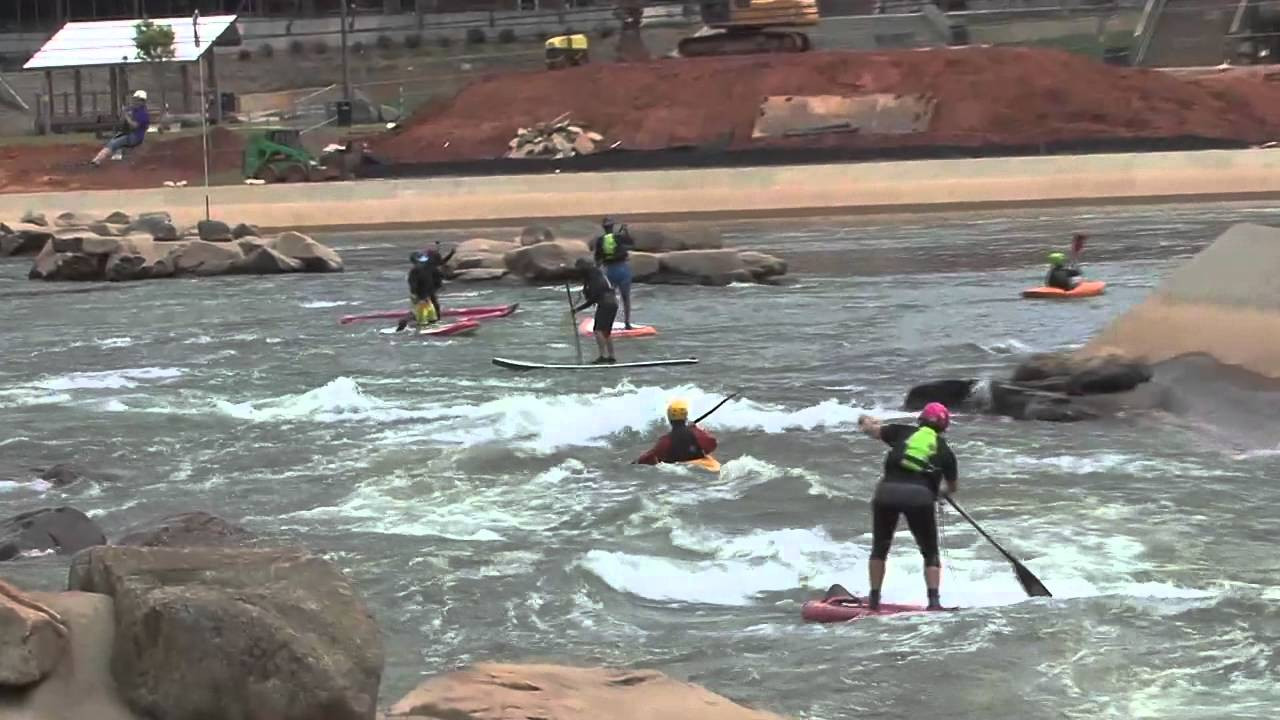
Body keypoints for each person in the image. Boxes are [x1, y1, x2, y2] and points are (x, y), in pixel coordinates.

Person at [856, 402, 958, 611]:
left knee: (880, 547)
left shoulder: (901, 432)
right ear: (944, 427)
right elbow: (952, 487)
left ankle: (874, 600)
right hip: (919, 498)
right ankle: (934, 603)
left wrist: (864, 421)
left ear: (920, 420)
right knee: (930, 552)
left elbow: (873, 430)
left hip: (886, 493)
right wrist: (940, 493)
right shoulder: (946, 452)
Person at [634, 399, 718, 465]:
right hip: (702, 465)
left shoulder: (664, 441)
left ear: (669, 418)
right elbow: (712, 444)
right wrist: (697, 428)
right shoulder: (697, 434)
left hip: (677, 468)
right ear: (685, 416)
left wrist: (636, 462)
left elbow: (653, 456)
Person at [571, 256, 618, 364]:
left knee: (598, 330)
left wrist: (578, 309)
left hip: (605, 304)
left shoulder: (594, 278)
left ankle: (602, 356)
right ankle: (611, 356)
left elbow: (593, 298)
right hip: (613, 303)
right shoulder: (596, 274)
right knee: (606, 331)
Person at [592, 217, 635, 330]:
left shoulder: (600, 240)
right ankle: (627, 323)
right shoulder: (618, 237)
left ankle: (607, 323)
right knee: (626, 298)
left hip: (610, 271)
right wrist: (625, 231)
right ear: (612, 226)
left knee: (609, 297)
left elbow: (597, 259)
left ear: (604, 228)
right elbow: (631, 243)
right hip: (623, 270)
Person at [91, 90, 150, 166]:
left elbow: (134, 126)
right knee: (113, 140)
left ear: (142, 101)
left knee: (114, 142)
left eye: (137, 100)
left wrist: (126, 115)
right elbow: (123, 117)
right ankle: (100, 158)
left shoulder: (143, 113)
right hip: (129, 134)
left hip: (135, 137)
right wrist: (123, 112)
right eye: (135, 99)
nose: (135, 101)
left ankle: (97, 160)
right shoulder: (135, 109)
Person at [404, 251, 439, 329]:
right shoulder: (414, 272)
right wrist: (418, 297)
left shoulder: (425, 269)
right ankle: (421, 331)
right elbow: (413, 285)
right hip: (420, 297)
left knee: (432, 317)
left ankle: (433, 326)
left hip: (427, 296)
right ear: (415, 261)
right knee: (422, 319)